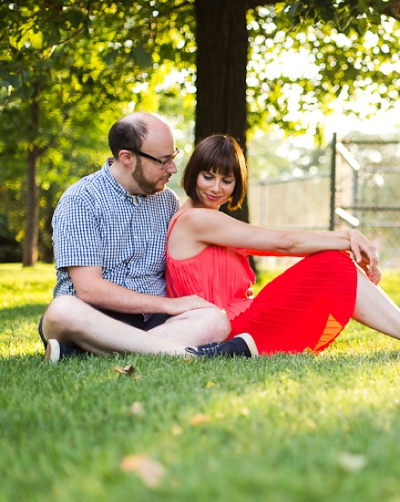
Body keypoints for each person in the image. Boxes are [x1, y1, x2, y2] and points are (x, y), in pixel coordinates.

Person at [165, 134, 400, 355]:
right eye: (208, 177)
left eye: (226, 180)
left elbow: (277, 243)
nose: (216, 188)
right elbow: (284, 243)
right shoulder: (195, 220)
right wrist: (346, 237)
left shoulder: (212, 221)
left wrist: (346, 237)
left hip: (243, 321)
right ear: (193, 174)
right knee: (333, 263)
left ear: (236, 183)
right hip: (230, 330)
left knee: (334, 262)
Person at [40, 113, 252, 363]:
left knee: (215, 319)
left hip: (152, 322)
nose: (172, 169)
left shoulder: (167, 202)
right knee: (63, 309)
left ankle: (83, 355)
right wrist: (169, 306)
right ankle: (189, 354)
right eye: (163, 161)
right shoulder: (81, 200)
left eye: (173, 157)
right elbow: (88, 289)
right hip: (90, 317)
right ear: (127, 157)